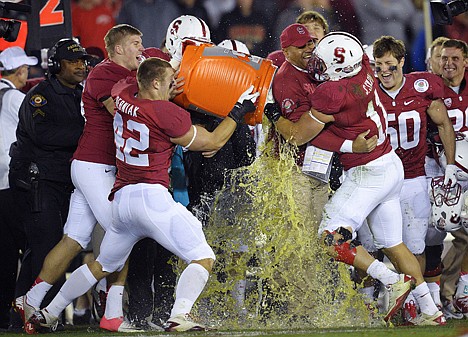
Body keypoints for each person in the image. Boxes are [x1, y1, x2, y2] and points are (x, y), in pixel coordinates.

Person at [27, 56, 260, 332]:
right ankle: (180, 314)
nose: (175, 85)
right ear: (156, 83)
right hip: (151, 198)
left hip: (123, 199)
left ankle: (49, 312)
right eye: (170, 81)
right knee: (202, 256)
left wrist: (161, 75)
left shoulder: (123, 95)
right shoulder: (166, 114)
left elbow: (131, 82)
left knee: (100, 266)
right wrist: (237, 110)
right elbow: (213, 141)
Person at [264, 31, 446, 325]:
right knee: (394, 244)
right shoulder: (363, 65)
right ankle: (430, 311)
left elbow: (297, 136)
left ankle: (390, 280)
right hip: (390, 164)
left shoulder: (330, 93)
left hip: (367, 172)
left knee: (329, 238)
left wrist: (271, 111)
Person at [13, 25, 169, 333]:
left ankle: (30, 299)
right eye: (135, 43)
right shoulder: (104, 74)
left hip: (93, 165)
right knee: (123, 232)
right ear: (117, 49)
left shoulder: (120, 75)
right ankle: (110, 311)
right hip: (95, 165)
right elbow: (127, 114)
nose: (141, 48)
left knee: (74, 239)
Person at [370, 35, 456, 319]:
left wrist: (451, 165)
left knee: (416, 244)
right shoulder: (367, 90)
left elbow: (443, 124)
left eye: (391, 65)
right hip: (377, 179)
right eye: (379, 65)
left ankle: (413, 301)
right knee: (374, 245)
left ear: (402, 62)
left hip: (413, 177)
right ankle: (373, 300)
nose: (385, 72)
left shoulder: (422, 87)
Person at [9, 38, 89, 334]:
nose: (81, 65)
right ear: (56, 66)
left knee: (58, 247)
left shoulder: (82, 95)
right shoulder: (39, 95)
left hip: (65, 182)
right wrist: (87, 132)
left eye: (83, 61)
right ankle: (23, 314)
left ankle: (39, 312)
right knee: (43, 246)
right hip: (39, 180)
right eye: (73, 61)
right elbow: (43, 135)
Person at [426, 39, 468, 319]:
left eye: (455, 58)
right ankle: (436, 293)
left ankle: (456, 288)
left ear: (466, 61)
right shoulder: (429, 87)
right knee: (436, 232)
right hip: (440, 167)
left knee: (465, 234)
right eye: (443, 58)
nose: (448, 63)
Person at [0, 47, 38, 331]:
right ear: (21, 71)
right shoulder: (14, 97)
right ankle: (24, 311)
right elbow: (36, 128)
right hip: (12, 183)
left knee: (4, 253)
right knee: (33, 247)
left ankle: (3, 315)